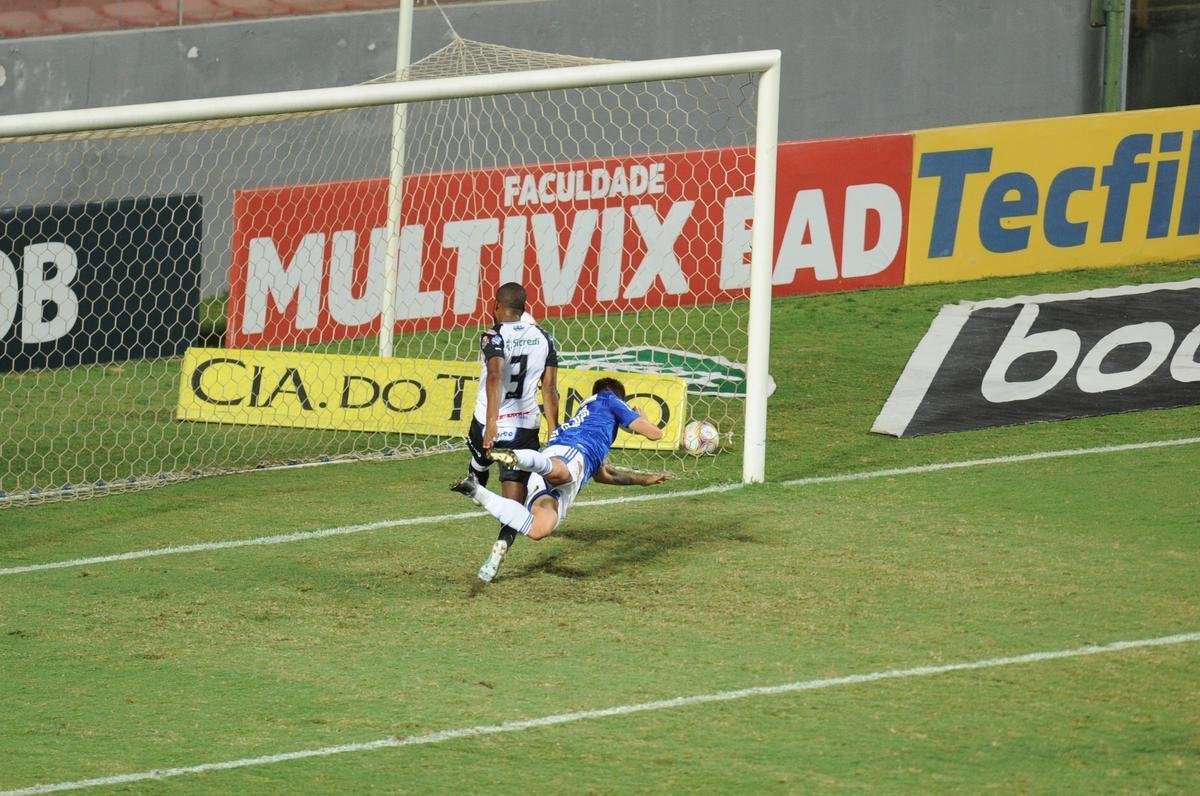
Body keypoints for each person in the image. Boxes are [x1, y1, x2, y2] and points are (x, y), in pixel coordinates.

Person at [451, 378, 670, 563]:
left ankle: (476, 490)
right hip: (571, 454)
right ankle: (518, 457)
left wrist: (642, 480)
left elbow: (603, 475)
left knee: (539, 529)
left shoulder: (592, 421)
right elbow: (654, 434)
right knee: (562, 472)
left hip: (560, 467)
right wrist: (643, 418)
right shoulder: (609, 399)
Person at [465, 282, 559, 583]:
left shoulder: (493, 336)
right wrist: (554, 431)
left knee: (479, 464)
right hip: (524, 427)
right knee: (514, 505)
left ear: (496, 306)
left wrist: (492, 421)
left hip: (488, 422)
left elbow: (494, 375)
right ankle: (501, 546)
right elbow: (550, 389)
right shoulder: (545, 337)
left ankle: (477, 484)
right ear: (525, 307)